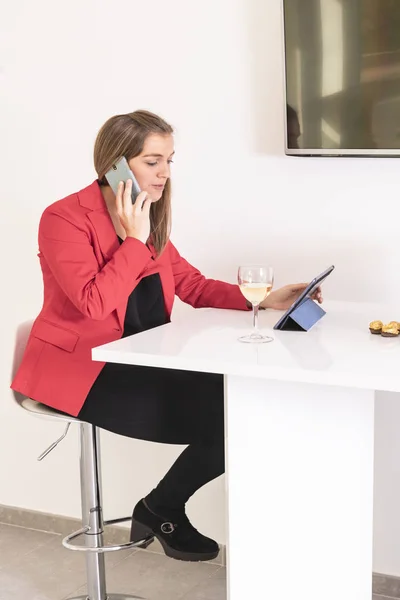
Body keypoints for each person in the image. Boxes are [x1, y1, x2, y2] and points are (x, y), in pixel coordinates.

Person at [11, 110, 322, 562]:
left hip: (141, 360)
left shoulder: (148, 216)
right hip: (79, 371)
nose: (163, 174)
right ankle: (164, 509)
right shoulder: (64, 218)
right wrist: (134, 242)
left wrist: (266, 297)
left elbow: (191, 285)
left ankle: (160, 506)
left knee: (242, 404)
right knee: (226, 419)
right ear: (116, 164)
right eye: (152, 161)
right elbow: (94, 304)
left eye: (170, 161)